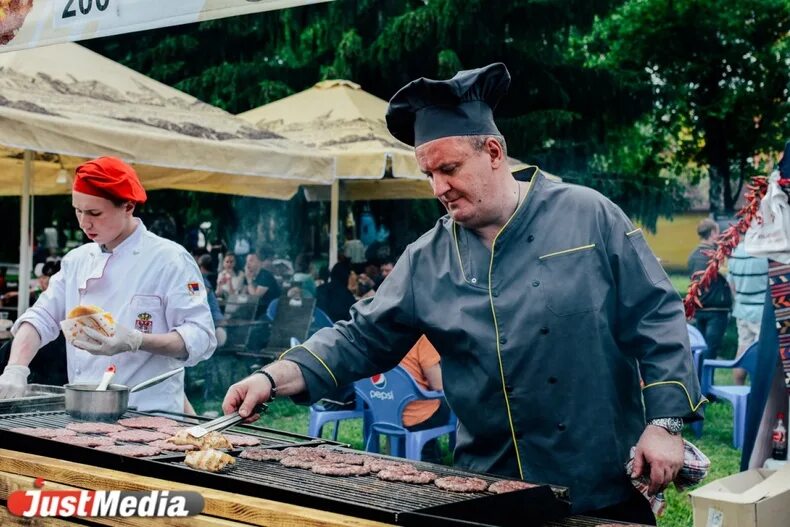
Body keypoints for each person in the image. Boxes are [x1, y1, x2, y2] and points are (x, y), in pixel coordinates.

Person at [223, 63, 703, 523]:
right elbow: (358, 338)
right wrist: (272, 376)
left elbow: (655, 313)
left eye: (449, 168)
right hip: (487, 486)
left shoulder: (587, 215)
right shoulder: (427, 257)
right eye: (428, 174)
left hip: (599, 478)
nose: (438, 187)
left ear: (494, 152)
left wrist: (667, 423)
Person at [0, 157, 217, 413]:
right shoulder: (77, 260)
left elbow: (201, 337)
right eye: (77, 210)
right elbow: (40, 318)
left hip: (149, 414)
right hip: (83, 409)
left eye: (94, 213)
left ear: (128, 206)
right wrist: (16, 368)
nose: (84, 223)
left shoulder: (170, 259)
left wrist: (137, 340)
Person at [688, 218, 732, 360]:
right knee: (710, 350)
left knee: (699, 349)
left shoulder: (693, 255)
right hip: (717, 309)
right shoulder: (716, 256)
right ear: (713, 233)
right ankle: (706, 380)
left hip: (699, 308)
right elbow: (729, 275)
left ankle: (698, 380)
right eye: (718, 232)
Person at [727, 241, 769, 384]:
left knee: (743, 350)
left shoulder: (735, 253)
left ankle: (739, 391)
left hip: (742, 310)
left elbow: (732, 286)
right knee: (763, 354)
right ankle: (760, 394)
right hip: (763, 312)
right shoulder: (766, 252)